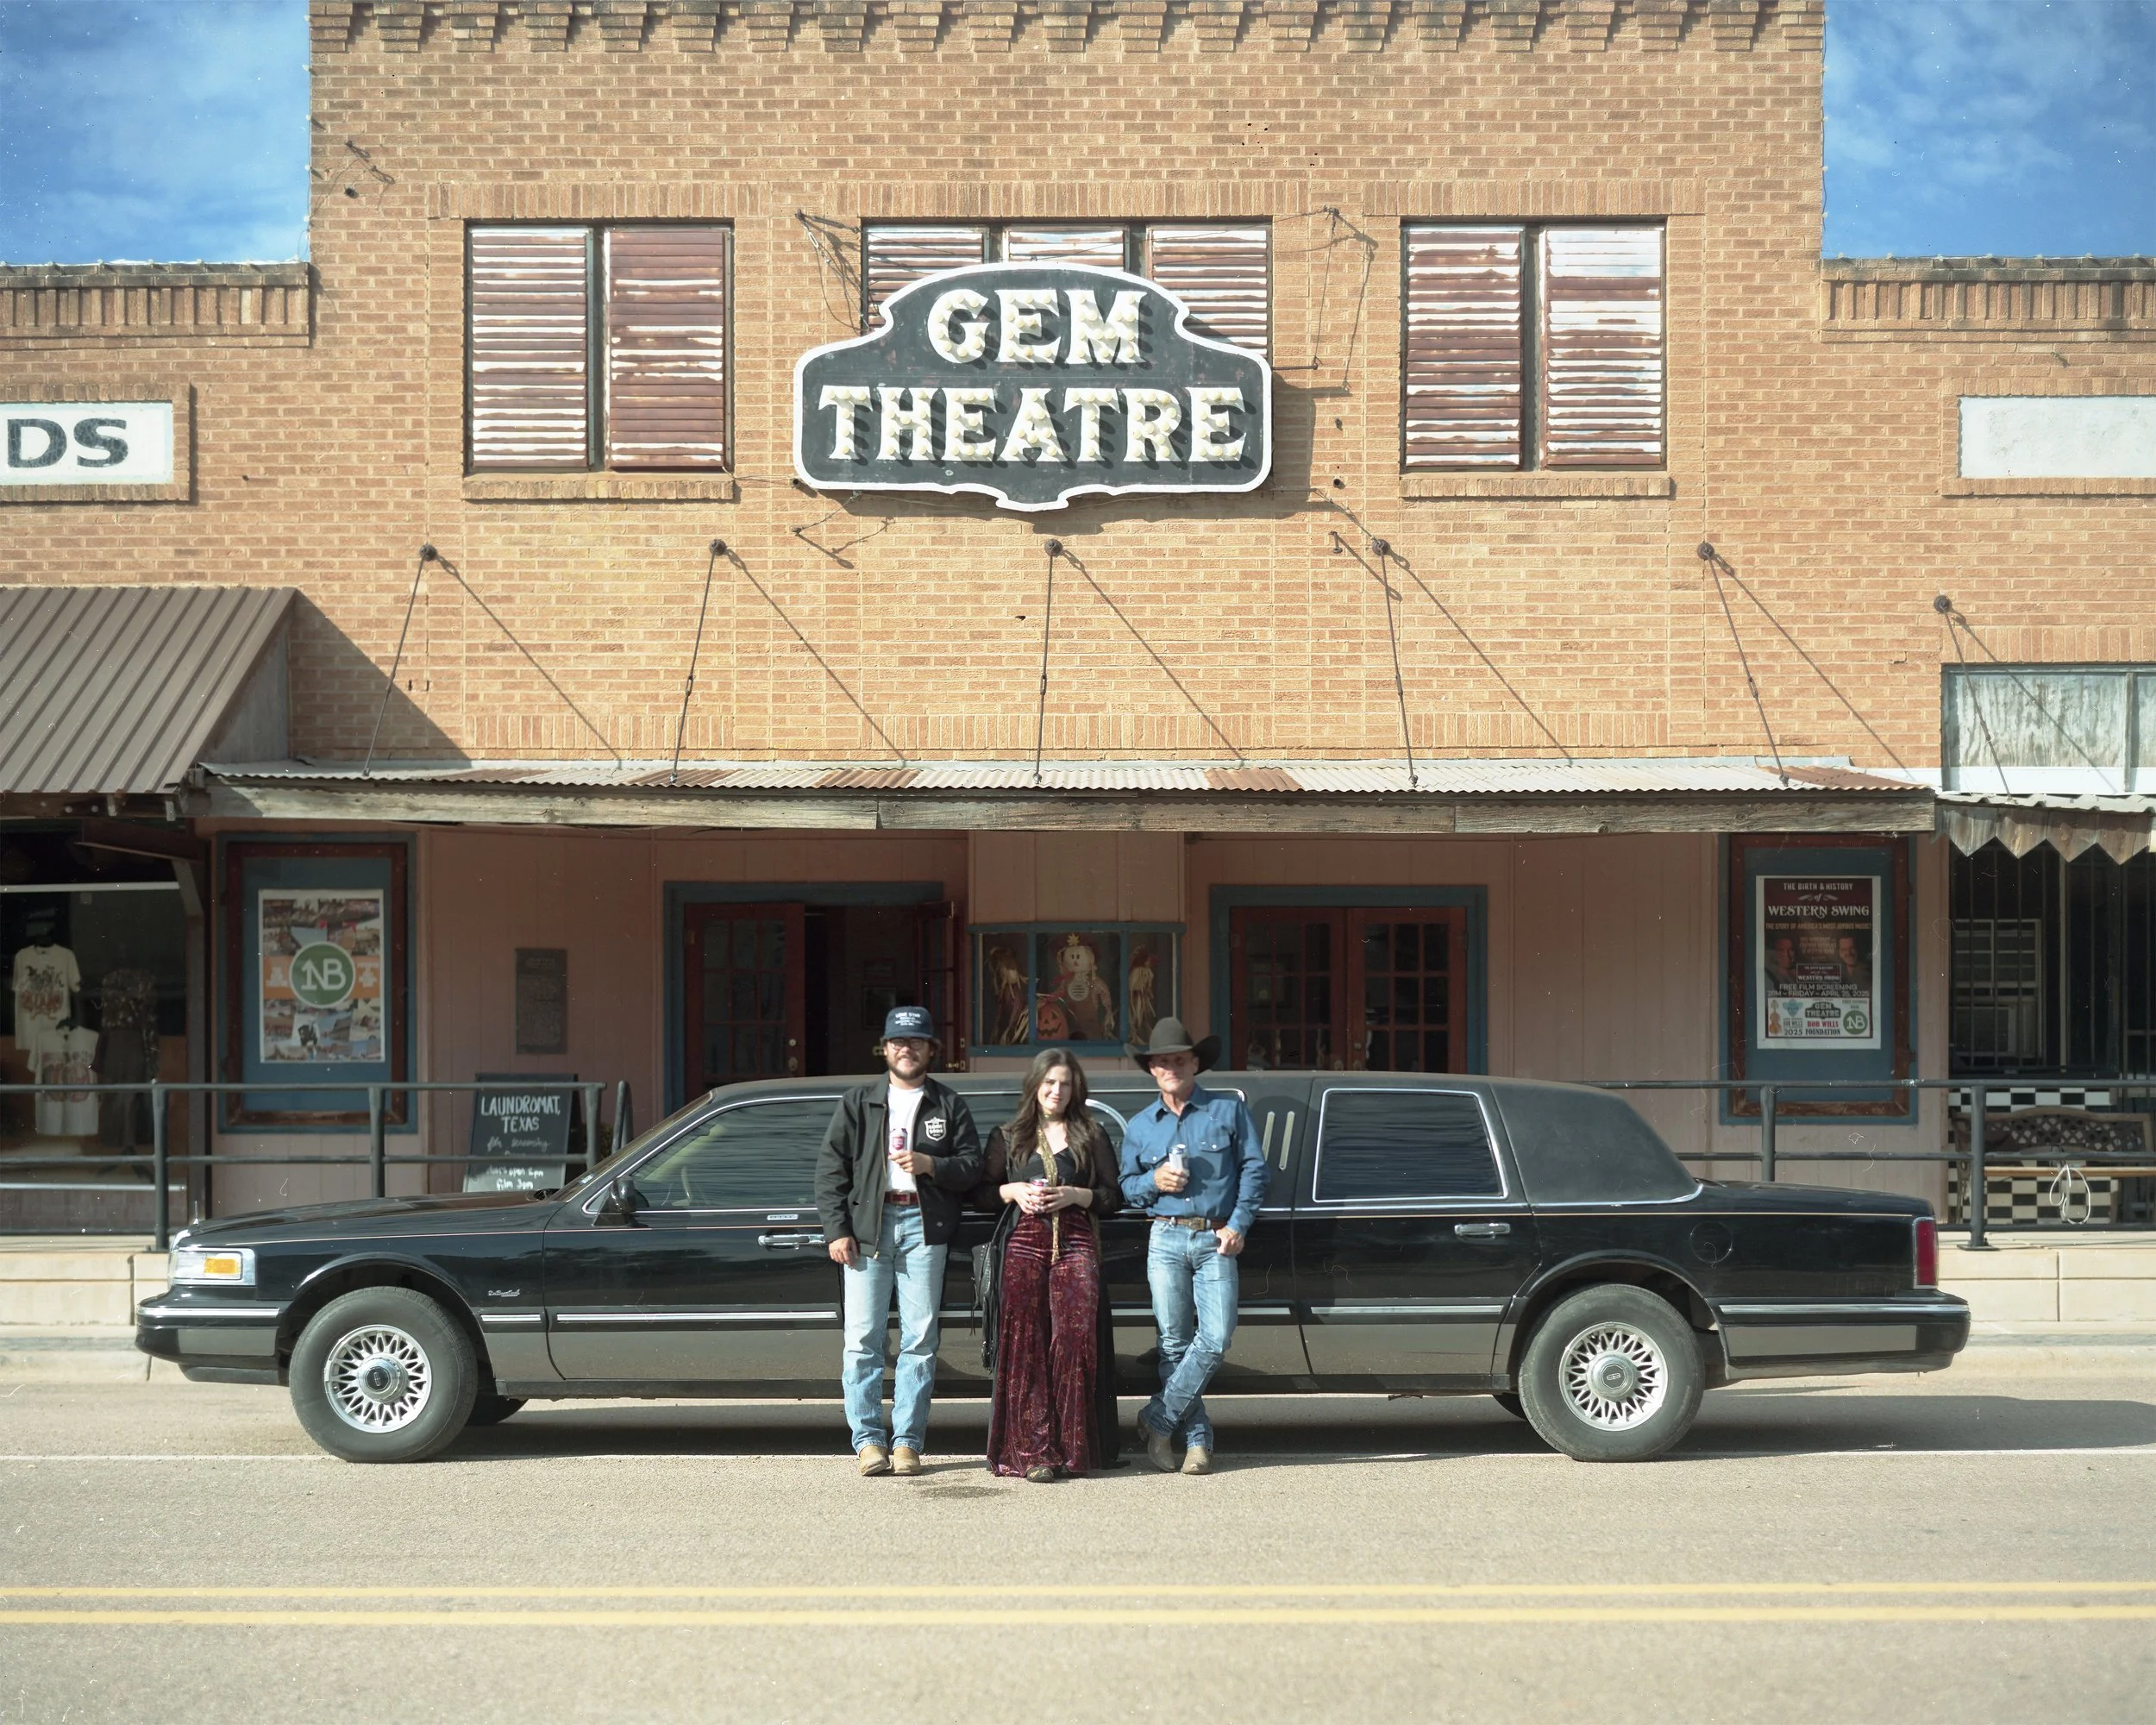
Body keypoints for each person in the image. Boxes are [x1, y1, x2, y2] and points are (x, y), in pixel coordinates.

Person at [815, 1004, 983, 1477]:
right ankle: (868, 1442)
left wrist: (934, 1166)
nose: (906, 1049)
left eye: (916, 1042)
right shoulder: (858, 1101)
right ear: (885, 1049)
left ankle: (908, 1441)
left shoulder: (948, 1105)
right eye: (897, 1042)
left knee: (921, 1338)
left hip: (924, 1230)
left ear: (931, 1049)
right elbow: (830, 1172)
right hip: (867, 1230)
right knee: (863, 1337)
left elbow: (973, 1166)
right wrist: (837, 1230)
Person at [1118, 1018, 1267, 1476]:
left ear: (1196, 1063)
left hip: (1215, 1237)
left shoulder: (1227, 1112)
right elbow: (1126, 1187)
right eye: (1162, 1062)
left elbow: (1254, 1172)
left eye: (1179, 1059)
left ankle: (1158, 1419)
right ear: (1152, 1069)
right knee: (1174, 1344)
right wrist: (1153, 1180)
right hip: (1164, 1237)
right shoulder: (1142, 1125)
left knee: (1217, 1336)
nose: (1171, 1067)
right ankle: (1198, 1441)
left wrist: (1238, 1224)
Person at [975, 1049, 1124, 1482]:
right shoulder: (1010, 1135)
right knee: (1027, 1345)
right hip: (1023, 1244)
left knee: (1074, 1340)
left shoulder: (1090, 1134)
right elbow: (981, 1195)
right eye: (1050, 1082)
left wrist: (1079, 1195)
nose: (1057, 1091)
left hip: (1076, 1241)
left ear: (1076, 1089)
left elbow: (1115, 1197)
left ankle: (1073, 1451)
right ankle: (1036, 1452)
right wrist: (1013, 1190)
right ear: (1035, 1085)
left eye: (1066, 1083)